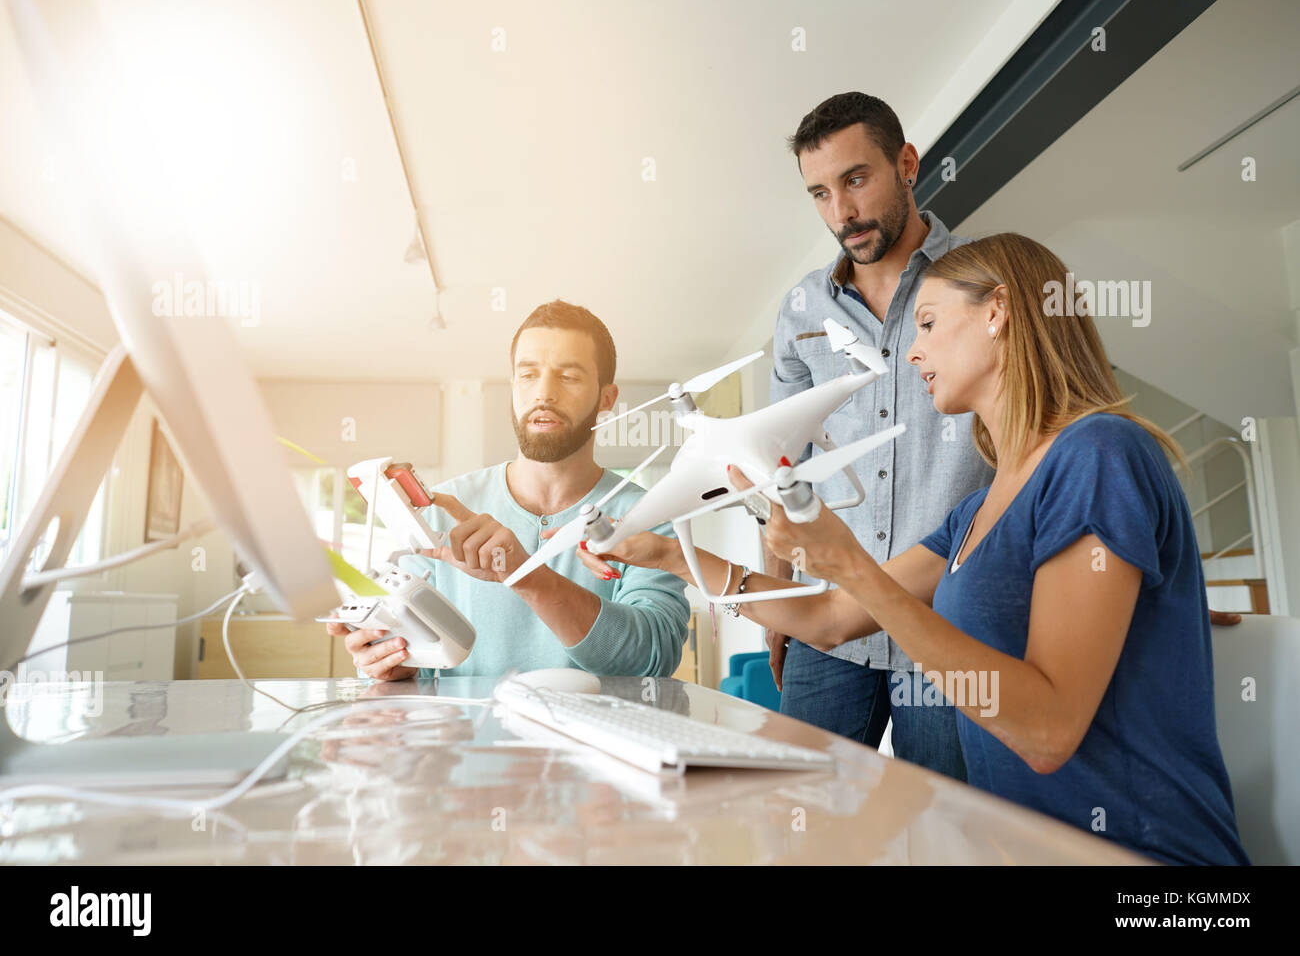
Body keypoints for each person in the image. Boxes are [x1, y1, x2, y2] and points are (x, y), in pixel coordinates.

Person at [577, 234, 1248, 865]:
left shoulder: (1098, 454)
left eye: (927, 324)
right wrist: (668, 556)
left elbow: (1048, 731)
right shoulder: (977, 512)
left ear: (1000, 312)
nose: (911, 352)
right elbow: (834, 616)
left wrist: (855, 568)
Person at [767, 91, 992, 779]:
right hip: (829, 624)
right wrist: (775, 604)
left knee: (956, 829)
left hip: (948, 623)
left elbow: (1047, 438)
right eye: (821, 193)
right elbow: (782, 467)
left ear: (907, 163)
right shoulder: (800, 310)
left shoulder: (985, 280)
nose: (842, 212)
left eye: (857, 179)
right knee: (796, 814)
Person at [326, 300, 690, 680]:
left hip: (593, 738)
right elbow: (408, 652)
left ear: (606, 398)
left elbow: (653, 660)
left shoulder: (648, 516)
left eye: (568, 377)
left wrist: (526, 575)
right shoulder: (441, 510)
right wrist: (390, 660)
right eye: (528, 375)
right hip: (468, 737)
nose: (544, 393)